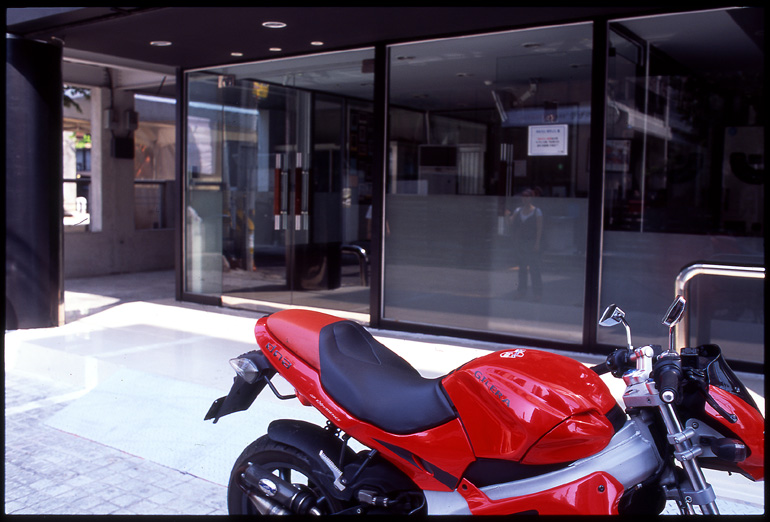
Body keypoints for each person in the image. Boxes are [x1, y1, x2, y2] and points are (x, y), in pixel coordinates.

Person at [508, 189, 543, 299]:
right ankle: (521, 291)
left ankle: (537, 293)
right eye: (523, 196)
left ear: (531, 198)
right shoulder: (518, 210)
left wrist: (537, 243)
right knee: (522, 268)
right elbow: (511, 222)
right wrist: (507, 215)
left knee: (534, 268)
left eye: (527, 196)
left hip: (531, 241)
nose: (525, 199)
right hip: (521, 242)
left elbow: (539, 229)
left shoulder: (536, 211)